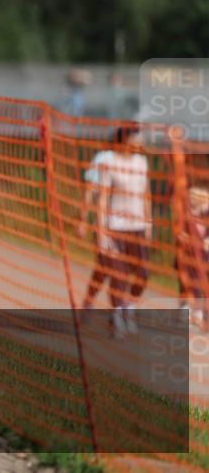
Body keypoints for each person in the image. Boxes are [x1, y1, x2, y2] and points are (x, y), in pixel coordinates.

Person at [77, 125, 152, 337]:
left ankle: (123, 307)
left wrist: (149, 224)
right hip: (112, 226)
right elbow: (92, 190)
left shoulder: (141, 162)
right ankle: (109, 311)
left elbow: (146, 194)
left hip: (135, 228)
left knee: (120, 271)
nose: (140, 142)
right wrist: (85, 220)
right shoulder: (105, 159)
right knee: (111, 271)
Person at [177, 186, 209, 328]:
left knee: (198, 282)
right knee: (188, 282)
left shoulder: (205, 219)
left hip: (203, 257)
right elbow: (180, 234)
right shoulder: (187, 218)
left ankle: (197, 310)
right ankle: (188, 308)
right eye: (205, 203)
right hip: (188, 257)